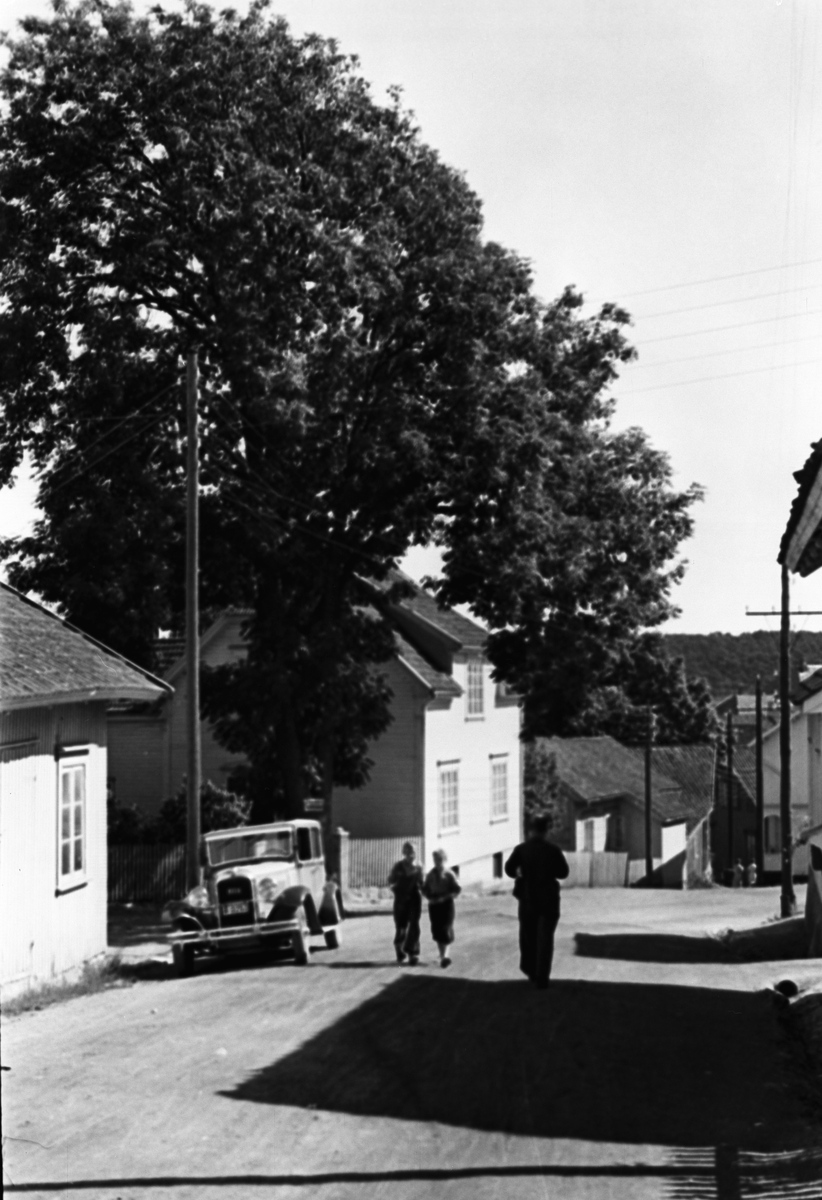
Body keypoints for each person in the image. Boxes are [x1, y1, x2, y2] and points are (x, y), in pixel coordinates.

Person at [505, 813, 570, 989]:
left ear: (531, 830)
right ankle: (542, 976)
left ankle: (531, 970)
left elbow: (508, 869)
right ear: (546, 830)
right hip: (548, 900)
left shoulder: (521, 850)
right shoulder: (553, 850)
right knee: (545, 939)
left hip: (527, 899)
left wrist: (519, 871)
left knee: (529, 937)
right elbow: (563, 872)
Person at [423, 848, 462, 967]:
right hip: (434, 905)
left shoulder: (449, 873)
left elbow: (457, 889)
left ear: (444, 859)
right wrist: (430, 897)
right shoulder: (430, 874)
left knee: (446, 928)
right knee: (437, 930)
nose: (437, 861)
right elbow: (425, 889)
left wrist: (445, 897)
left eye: (439, 859)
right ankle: (442, 956)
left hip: (446, 904)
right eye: (435, 859)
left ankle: (445, 956)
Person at [388, 841, 424, 965]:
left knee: (414, 925)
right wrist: (394, 887)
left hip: (414, 899)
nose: (410, 855)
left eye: (413, 852)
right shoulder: (398, 866)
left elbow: (422, 883)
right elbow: (391, 880)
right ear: (404, 853)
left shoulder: (419, 866)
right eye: (408, 852)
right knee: (401, 927)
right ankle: (399, 949)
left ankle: (412, 954)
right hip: (401, 899)